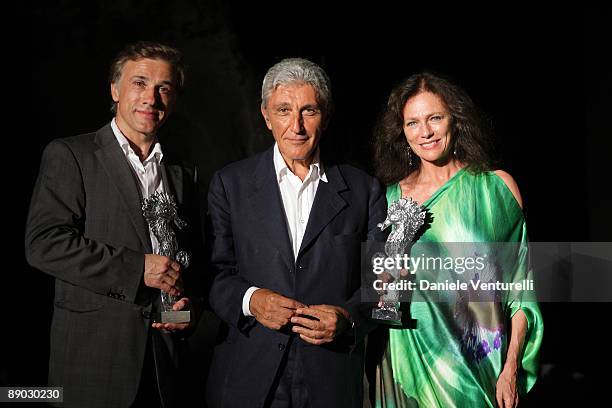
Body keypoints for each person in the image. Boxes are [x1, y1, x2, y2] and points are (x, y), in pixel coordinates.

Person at [25, 41, 203, 408]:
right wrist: (138, 268)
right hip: (94, 365)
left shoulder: (183, 174)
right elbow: (43, 244)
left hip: (166, 368)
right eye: (139, 83)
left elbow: (187, 263)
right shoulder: (71, 155)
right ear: (115, 89)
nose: (151, 98)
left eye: (163, 88)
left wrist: (185, 312)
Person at [205, 58, 387, 408]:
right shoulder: (230, 184)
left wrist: (348, 318)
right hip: (247, 375)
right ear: (265, 115)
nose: (296, 126)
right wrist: (250, 300)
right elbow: (213, 273)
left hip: (330, 375)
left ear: (327, 116)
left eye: (309, 111)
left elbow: (385, 284)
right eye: (284, 110)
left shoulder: (364, 190)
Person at [370, 72, 543, 408]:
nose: (426, 132)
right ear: (401, 133)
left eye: (435, 118)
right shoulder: (388, 200)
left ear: (456, 121)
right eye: (413, 123)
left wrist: (510, 367)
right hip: (410, 364)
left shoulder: (496, 190)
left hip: (482, 368)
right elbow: (378, 290)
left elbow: (521, 292)